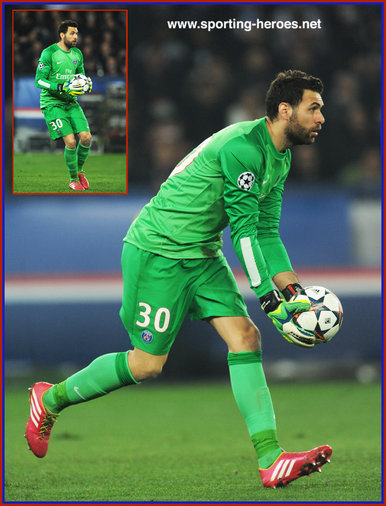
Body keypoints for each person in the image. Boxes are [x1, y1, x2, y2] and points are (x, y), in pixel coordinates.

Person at [25, 70, 332, 489]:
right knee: (147, 364)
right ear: (285, 110)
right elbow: (241, 234)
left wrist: (292, 292)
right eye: (313, 107)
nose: (321, 117)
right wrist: (270, 298)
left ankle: (270, 459)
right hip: (158, 251)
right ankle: (49, 399)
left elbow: (265, 232)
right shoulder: (243, 148)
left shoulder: (280, 156)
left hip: (201, 253)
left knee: (246, 338)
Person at [35, 20, 93, 191]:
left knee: (87, 138)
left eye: (76, 33)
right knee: (71, 142)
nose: (75, 37)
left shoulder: (77, 54)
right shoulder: (49, 53)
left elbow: (81, 76)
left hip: (70, 103)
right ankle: (73, 178)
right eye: (72, 33)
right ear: (62, 35)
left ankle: (80, 171)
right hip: (52, 104)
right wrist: (58, 86)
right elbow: (39, 80)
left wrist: (85, 85)